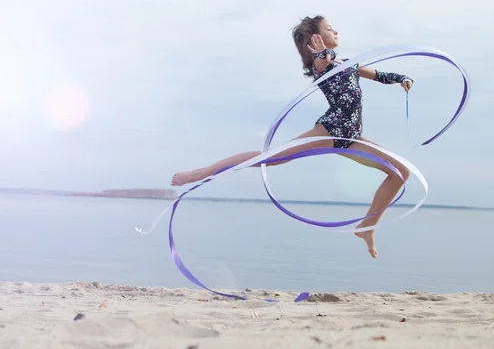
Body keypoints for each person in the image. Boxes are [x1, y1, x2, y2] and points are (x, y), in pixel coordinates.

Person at [170, 15, 413, 258]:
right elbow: (321, 62)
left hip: (353, 137)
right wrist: (320, 53)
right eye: (329, 29)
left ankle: (367, 227)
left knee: (401, 171)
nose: (336, 30)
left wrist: (402, 78)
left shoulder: (348, 64)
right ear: (316, 38)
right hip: (329, 131)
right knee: (273, 158)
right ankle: (200, 173)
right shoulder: (323, 65)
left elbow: (380, 75)